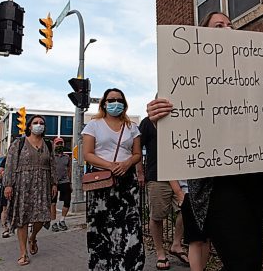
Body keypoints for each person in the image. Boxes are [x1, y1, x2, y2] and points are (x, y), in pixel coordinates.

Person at [147, 11, 263, 271]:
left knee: (250, 258)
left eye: (230, 24)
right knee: (241, 259)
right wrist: (158, 116)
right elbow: (177, 126)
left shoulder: (254, 79)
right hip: (217, 185)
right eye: (218, 25)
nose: (227, 28)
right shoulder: (185, 78)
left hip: (253, 179)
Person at [82, 88, 145, 271]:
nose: (115, 102)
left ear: (124, 104)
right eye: (111, 100)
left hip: (127, 181)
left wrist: (126, 164)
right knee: (102, 225)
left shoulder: (132, 127)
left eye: (119, 100)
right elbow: (87, 154)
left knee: (129, 224)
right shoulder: (93, 125)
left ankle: (129, 265)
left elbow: (137, 154)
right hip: (101, 181)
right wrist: (110, 166)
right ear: (104, 103)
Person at [3, 115, 57, 266]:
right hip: (22, 185)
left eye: (41, 123)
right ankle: (23, 253)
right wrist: (8, 184)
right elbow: (10, 164)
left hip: (43, 185)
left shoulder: (48, 144)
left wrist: (54, 183)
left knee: (42, 216)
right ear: (29, 126)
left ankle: (32, 237)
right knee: (23, 218)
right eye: (35, 123)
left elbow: (52, 165)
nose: (39, 125)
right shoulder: (18, 143)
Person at [139, 116, 189, 270]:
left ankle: (176, 244)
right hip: (157, 176)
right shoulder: (147, 122)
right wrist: (140, 172)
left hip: (181, 174)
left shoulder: (181, 118)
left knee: (187, 209)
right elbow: (137, 148)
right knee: (157, 216)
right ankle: (160, 253)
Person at [49, 137, 72, 232]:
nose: (59, 145)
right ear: (54, 145)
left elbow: (69, 170)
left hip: (65, 181)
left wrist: (70, 182)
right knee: (53, 203)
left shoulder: (67, 157)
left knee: (67, 201)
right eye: (57, 144)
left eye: (61, 144)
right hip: (53, 183)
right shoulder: (51, 157)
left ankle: (62, 220)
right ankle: (53, 222)